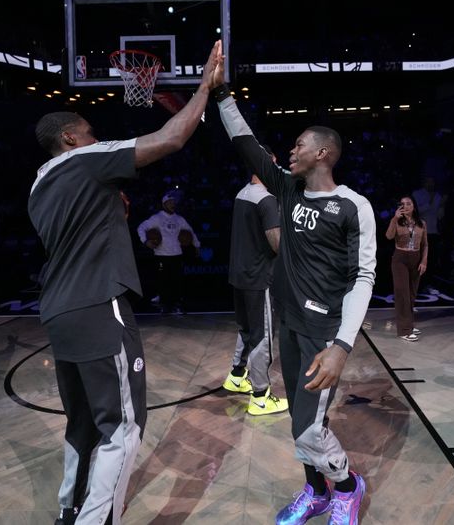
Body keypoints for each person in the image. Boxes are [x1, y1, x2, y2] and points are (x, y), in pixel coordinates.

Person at [28, 41, 222, 525]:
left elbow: (89, 226)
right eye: (90, 133)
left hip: (57, 310)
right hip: (97, 305)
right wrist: (204, 87)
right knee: (123, 426)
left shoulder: (38, 186)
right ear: (70, 138)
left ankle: (69, 511)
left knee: (83, 424)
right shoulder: (87, 160)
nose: (96, 139)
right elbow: (171, 138)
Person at [212, 73, 376, 524]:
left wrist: (342, 346)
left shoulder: (353, 205)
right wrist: (222, 94)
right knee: (298, 421)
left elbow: (364, 278)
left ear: (322, 153)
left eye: (300, 144)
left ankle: (346, 487)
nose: (291, 150)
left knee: (310, 426)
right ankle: (314, 490)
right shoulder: (286, 189)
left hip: (324, 334)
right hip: (289, 322)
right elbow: (247, 144)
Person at [223, 145, 289, 416]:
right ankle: (261, 396)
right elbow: (276, 242)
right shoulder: (266, 199)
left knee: (246, 329)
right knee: (262, 336)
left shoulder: (242, 193)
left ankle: (237, 376)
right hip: (258, 277)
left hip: (239, 274)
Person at [136, 192, 200, 314]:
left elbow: (190, 231)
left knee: (177, 282)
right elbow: (141, 227)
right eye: (170, 202)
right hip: (161, 255)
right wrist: (145, 241)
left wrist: (197, 245)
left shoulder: (179, 219)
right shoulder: (157, 218)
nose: (172, 204)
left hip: (176, 254)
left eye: (174, 202)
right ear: (164, 204)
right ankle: (165, 306)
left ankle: (178, 306)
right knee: (163, 281)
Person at [385, 196, 427, 341]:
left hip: (415, 259)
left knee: (411, 295)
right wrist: (394, 219)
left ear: (414, 206)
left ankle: (408, 324)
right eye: (402, 204)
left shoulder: (421, 223)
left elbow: (425, 245)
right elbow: (389, 236)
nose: (406, 206)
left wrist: (424, 261)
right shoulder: (397, 222)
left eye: (408, 203)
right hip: (400, 259)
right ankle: (404, 331)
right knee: (402, 294)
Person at [412, 177, 442, 276]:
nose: (431, 184)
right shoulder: (417, 194)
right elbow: (416, 212)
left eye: (432, 182)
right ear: (424, 183)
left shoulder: (438, 196)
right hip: (420, 231)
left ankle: (430, 282)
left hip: (434, 231)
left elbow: (438, 214)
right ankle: (418, 283)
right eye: (428, 182)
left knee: (432, 258)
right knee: (420, 258)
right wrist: (430, 202)